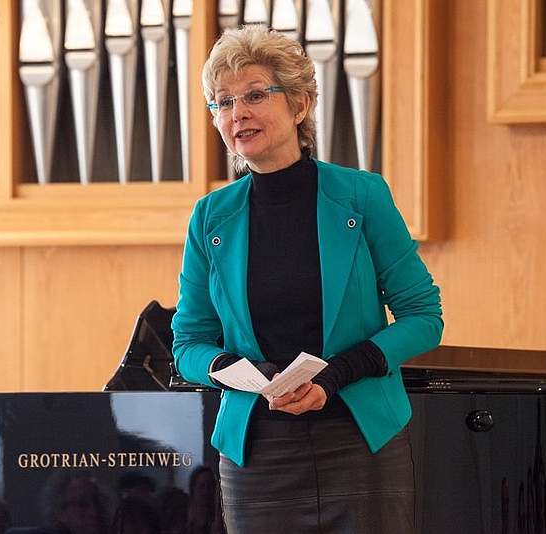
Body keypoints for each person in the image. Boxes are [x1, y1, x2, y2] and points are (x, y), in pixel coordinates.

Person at [171, 24, 443, 533]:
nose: (237, 113)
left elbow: (424, 317)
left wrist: (334, 375)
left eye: (255, 95)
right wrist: (240, 369)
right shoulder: (210, 217)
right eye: (223, 102)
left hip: (360, 440)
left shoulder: (361, 196)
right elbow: (188, 344)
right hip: (258, 453)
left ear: (300, 104)